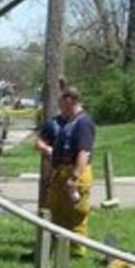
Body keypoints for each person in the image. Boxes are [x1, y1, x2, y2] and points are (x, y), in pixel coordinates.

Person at [44, 87, 95, 253]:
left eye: (62, 103)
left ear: (70, 101)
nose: (60, 107)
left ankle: (76, 252)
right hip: (62, 171)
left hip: (75, 173)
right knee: (56, 212)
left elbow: (84, 152)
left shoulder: (83, 123)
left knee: (75, 214)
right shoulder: (70, 122)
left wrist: (74, 177)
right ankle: (56, 249)